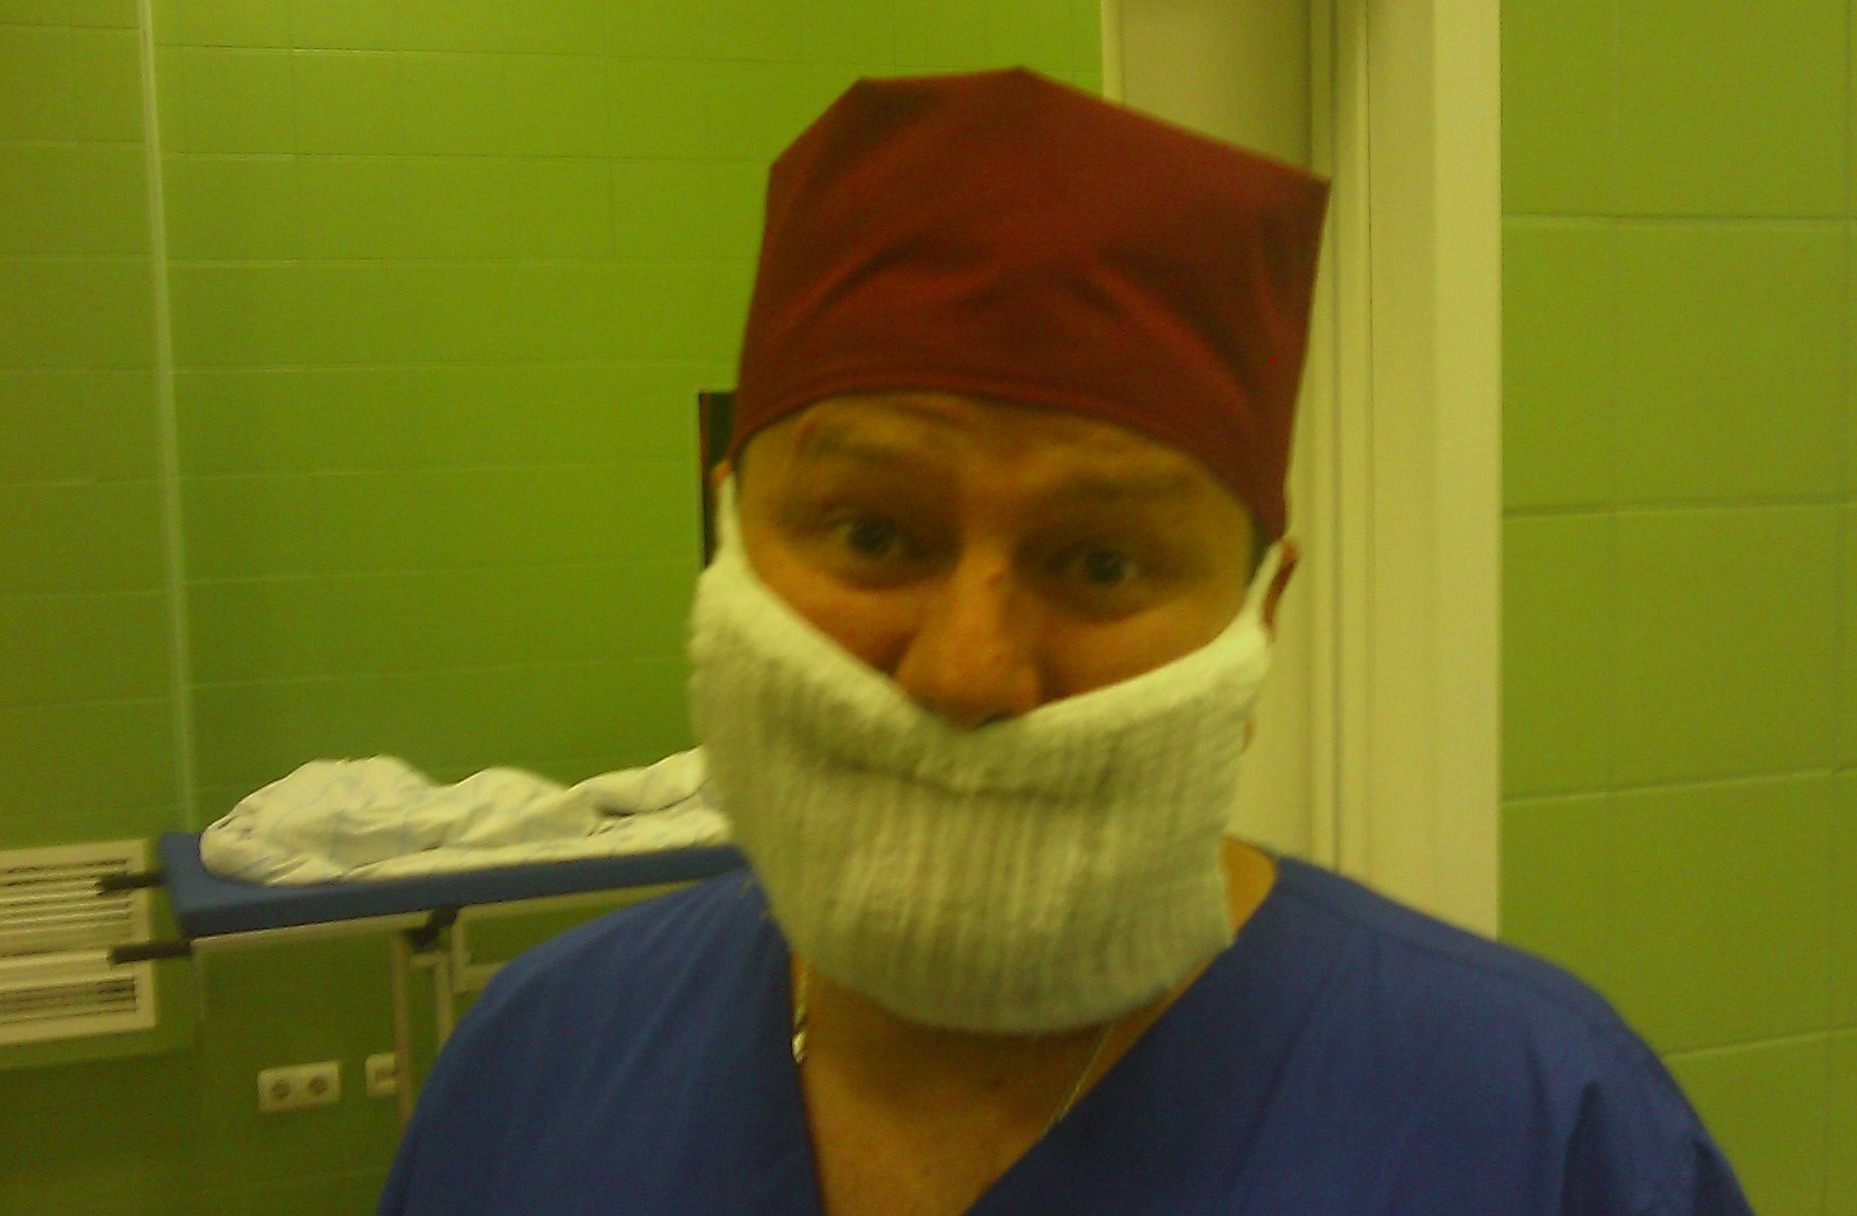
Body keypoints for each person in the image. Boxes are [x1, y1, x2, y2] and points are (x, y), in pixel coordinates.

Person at [378, 69, 1753, 1216]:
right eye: (873, 533)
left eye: (1101, 562)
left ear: (1258, 617)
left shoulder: (1531, 1131)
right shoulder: (537, 1072)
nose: (967, 673)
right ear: (731, 536)